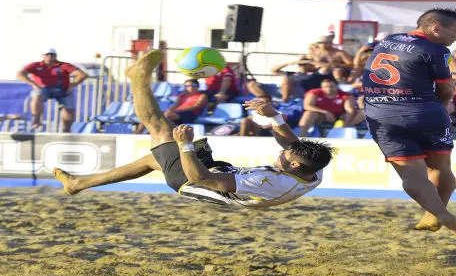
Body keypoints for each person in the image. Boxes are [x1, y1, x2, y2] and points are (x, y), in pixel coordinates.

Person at [53, 50, 335, 209]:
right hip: (223, 171)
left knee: (162, 131)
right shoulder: (312, 166)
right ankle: (78, 184)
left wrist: (185, 145)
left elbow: (200, 179)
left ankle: (137, 78)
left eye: (287, 156)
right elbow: (291, 144)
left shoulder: (272, 182)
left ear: (295, 165)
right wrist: (274, 116)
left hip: (195, 182)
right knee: (154, 158)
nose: (282, 153)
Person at [362, 8, 456, 243]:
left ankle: (440, 215)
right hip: (424, 112)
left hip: (382, 115)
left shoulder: (388, 40)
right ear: (436, 28)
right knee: (440, 168)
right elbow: (446, 89)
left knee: (411, 174)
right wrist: (439, 110)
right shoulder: (437, 49)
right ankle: (435, 214)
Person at [17, 49, 88, 132]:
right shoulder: (35, 65)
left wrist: (71, 85)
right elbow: (20, 74)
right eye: (47, 55)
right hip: (44, 89)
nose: (49, 57)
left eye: (52, 55)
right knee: (37, 94)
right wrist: (33, 84)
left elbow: (82, 75)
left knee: (69, 109)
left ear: (56, 56)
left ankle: (66, 130)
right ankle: (36, 120)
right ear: (42, 56)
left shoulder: (64, 65)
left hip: (62, 89)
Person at [298, 79, 362, 137]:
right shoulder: (314, 93)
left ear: (337, 86)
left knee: (364, 112)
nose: (328, 89)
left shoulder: (346, 95)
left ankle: (346, 128)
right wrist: (326, 112)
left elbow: (349, 109)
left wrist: (346, 122)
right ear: (321, 87)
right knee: (308, 113)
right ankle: (301, 136)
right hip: (323, 116)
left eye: (331, 86)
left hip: (341, 116)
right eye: (325, 87)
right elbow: (307, 106)